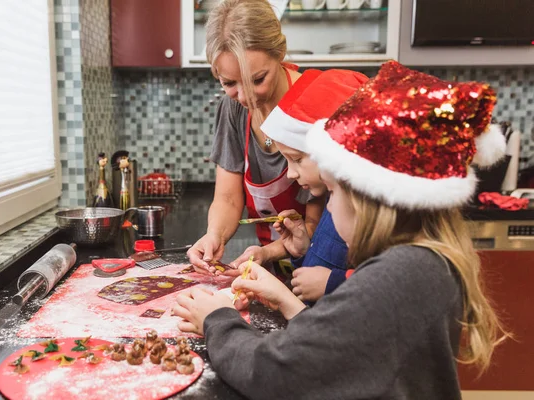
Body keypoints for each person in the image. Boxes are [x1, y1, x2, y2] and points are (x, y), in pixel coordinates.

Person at [173, 61, 508, 399]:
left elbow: (276, 373)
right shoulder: (421, 264)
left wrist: (218, 318)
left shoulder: (396, 277)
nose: (329, 207)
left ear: (367, 198)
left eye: (333, 191)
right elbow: (347, 344)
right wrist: (288, 302)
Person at [187, 0, 324, 274]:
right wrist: (214, 235)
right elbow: (227, 197)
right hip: (269, 266)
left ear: (280, 54)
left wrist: (268, 252)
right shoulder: (232, 108)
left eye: (258, 79)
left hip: (319, 269)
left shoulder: (315, 103)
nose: (246, 96)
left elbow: (318, 223)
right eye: (229, 83)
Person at [258, 68, 368, 303]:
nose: (290, 174)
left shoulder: (358, 211)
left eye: (296, 159)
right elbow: (325, 269)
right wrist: (303, 251)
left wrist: (333, 283)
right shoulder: (334, 199)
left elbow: (385, 287)